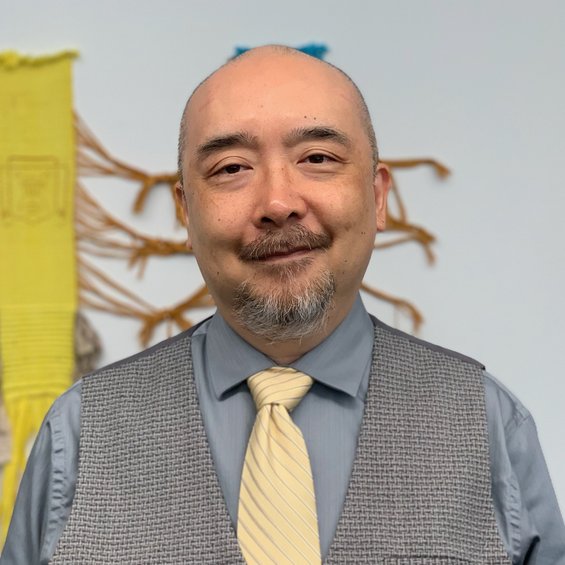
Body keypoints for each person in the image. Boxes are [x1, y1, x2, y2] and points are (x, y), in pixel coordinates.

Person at [2, 45, 564, 564]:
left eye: (317, 157)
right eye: (231, 169)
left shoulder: (488, 421)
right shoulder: (79, 432)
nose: (277, 202)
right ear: (185, 213)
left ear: (377, 196)